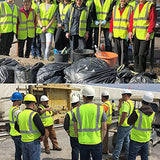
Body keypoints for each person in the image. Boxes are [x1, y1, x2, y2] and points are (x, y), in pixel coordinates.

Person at [72, 86, 107, 160]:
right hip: (96, 141)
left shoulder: (77, 110)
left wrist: (80, 138)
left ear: (84, 97)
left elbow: (75, 129)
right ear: (93, 96)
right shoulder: (100, 109)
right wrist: (101, 140)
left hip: (83, 142)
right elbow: (104, 128)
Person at [15, 94, 45, 160]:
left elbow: (16, 127)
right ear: (33, 104)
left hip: (23, 141)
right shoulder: (34, 114)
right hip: (34, 141)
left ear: (25, 104)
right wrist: (42, 136)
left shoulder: (20, 114)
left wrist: (23, 134)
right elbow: (42, 128)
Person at [128, 92, 155, 160]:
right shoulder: (153, 114)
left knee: (131, 157)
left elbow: (129, 122)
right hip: (146, 139)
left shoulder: (137, 112)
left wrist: (134, 124)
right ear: (150, 103)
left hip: (135, 139)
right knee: (144, 157)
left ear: (142, 101)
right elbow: (151, 124)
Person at [132, 0, 157, 73]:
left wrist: (149, 32)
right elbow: (132, 20)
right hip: (136, 34)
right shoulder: (136, 6)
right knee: (135, 53)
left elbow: (153, 20)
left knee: (141, 54)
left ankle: (141, 72)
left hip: (145, 35)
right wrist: (130, 31)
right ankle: (136, 72)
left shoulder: (150, 6)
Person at [109, 89, 134, 160]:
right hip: (128, 125)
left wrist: (120, 124)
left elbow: (124, 115)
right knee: (127, 141)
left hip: (123, 125)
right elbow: (120, 110)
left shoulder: (126, 104)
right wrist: (120, 102)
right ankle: (127, 156)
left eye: (122, 95)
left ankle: (115, 157)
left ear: (125, 95)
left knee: (119, 142)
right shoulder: (130, 103)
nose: (121, 97)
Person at [108, 0, 133, 67]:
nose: (123, 0)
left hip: (125, 35)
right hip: (116, 34)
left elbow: (131, 21)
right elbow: (112, 21)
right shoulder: (115, 8)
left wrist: (130, 32)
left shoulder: (130, 8)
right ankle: (117, 68)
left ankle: (123, 68)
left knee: (124, 53)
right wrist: (110, 31)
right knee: (116, 53)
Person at [64, 95, 81, 160]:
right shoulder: (82, 112)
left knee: (75, 149)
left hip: (73, 135)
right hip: (82, 134)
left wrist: (68, 131)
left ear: (72, 104)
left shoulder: (69, 113)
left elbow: (66, 125)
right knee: (83, 149)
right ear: (78, 103)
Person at [9, 92, 23, 160]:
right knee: (23, 151)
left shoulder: (12, 109)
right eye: (21, 100)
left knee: (18, 151)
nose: (22, 101)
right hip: (17, 134)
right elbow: (22, 121)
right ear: (17, 100)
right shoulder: (17, 111)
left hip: (13, 132)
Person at [101, 90, 112, 155]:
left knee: (104, 138)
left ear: (103, 97)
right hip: (109, 122)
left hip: (105, 123)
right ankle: (106, 150)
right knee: (106, 137)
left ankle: (104, 151)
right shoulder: (109, 104)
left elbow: (100, 113)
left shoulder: (105, 105)